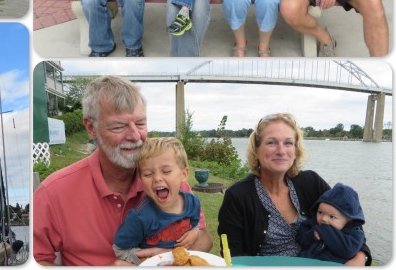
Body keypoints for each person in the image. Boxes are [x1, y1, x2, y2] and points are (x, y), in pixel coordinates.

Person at [33, 76, 212, 266]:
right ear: (91, 128)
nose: (135, 136)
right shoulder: (52, 193)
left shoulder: (170, 181)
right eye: (119, 126)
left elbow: (205, 240)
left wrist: (167, 256)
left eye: (141, 123)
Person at [217, 113, 370, 265]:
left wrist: (360, 257)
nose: (281, 151)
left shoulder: (311, 182)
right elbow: (233, 256)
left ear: (296, 150)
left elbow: (351, 223)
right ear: (256, 150)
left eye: (288, 143)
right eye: (271, 143)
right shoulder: (238, 196)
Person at [113, 137, 201, 265]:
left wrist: (195, 232)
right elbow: (120, 249)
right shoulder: (140, 217)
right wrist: (146, 260)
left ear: (184, 174)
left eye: (166, 171)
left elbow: (195, 224)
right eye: (148, 174)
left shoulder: (193, 203)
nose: (157, 178)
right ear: (141, 179)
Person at [297, 183, 366, 264]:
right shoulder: (313, 224)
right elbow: (300, 239)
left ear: (349, 219)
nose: (323, 219)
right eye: (320, 212)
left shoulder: (355, 235)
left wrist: (326, 231)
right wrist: (312, 235)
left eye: (332, 217)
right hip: (304, 262)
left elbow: (348, 251)